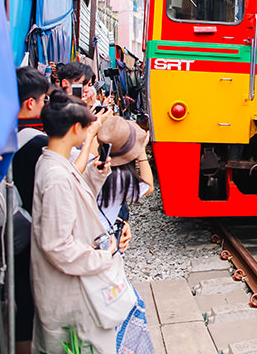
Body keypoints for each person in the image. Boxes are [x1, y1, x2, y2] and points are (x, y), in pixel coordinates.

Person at [30, 92, 124, 354]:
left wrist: (94, 175)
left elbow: (75, 205)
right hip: (69, 290)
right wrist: (104, 258)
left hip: (71, 285)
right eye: (87, 128)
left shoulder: (52, 164)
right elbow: (57, 245)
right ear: (75, 128)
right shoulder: (56, 176)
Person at [95, 117, 155, 354]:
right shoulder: (122, 181)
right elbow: (149, 185)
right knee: (128, 308)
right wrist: (141, 153)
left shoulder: (91, 169)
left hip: (93, 247)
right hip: (104, 253)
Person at [10, 67, 51, 354]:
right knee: (30, 302)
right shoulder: (38, 145)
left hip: (8, 227)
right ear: (30, 104)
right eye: (43, 100)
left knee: (19, 299)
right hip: (32, 233)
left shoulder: (2, 135)